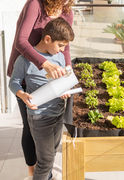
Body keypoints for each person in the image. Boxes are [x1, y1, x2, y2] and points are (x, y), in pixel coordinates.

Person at [7, 0, 79, 178]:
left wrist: (67, 74)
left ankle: (43, 165)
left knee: (52, 120)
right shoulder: (35, 5)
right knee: (30, 125)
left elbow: (65, 47)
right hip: (27, 70)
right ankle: (33, 170)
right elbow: (21, 41)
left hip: (52, 74)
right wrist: (43, 64)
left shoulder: (67, 12)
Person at [9, 17, 75, 180]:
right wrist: (22, 95)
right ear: (47, 39)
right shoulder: (25, 59)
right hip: (39, 117)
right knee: (45, 161)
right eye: (60, 45)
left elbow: (61, 80)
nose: (62, 51)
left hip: (58, 114)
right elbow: (14, 82)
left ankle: (48, 176)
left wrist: (65, 88)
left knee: (51, 153)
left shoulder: (58, 57)